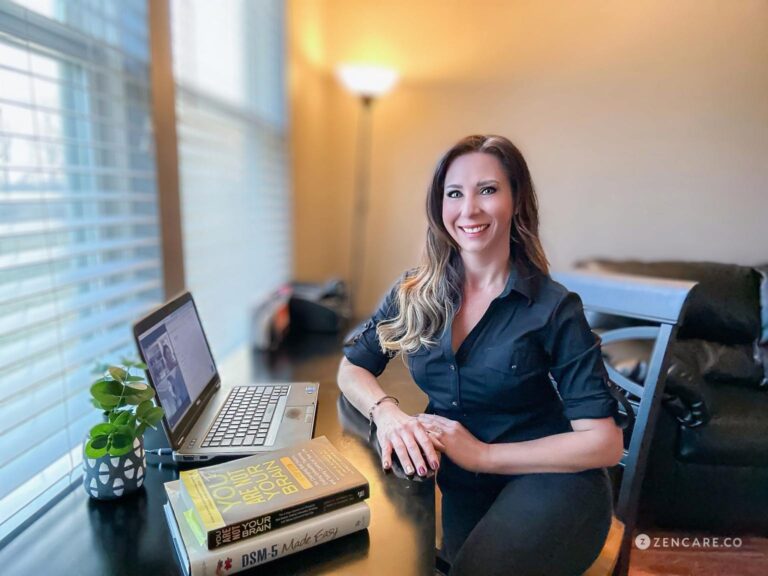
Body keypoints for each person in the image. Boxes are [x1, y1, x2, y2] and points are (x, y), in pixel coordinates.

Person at [337, 135, 624, 576]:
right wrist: (388, 414)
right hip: (466, 489)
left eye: (487, 190)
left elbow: (604, 443)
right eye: (454, 193)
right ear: (439, 206)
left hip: (556, 482)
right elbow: (353, 367)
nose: (468, 209)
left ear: (516, 200)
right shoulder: (414, 292)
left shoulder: (553, 308)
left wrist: (482, 455)